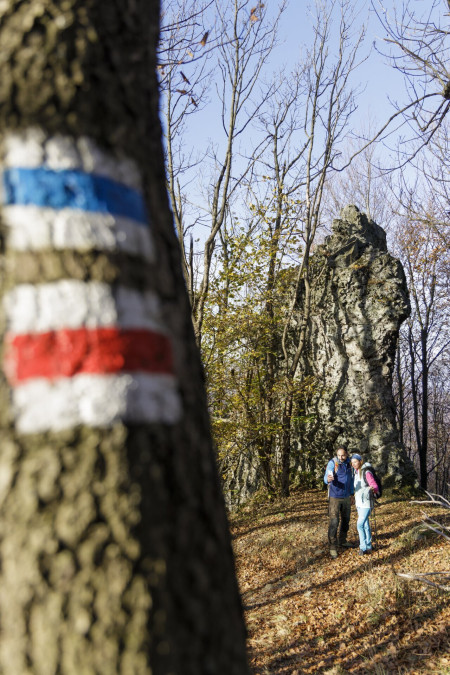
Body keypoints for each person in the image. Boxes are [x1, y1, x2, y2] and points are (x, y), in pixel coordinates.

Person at [324, 446, 354, 559]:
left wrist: (352, 494)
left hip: (346, 497)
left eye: (343, 455)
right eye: (339, 455)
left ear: (346, 454)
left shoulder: (349, 464)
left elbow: (351, 480)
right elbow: (325, 478)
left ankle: (342, 540)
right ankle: (332, 546)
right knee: (334, 521)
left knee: (346, 520)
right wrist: (328, 479)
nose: (341, 457)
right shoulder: (333, 463)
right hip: (335, 497)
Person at [350, 453, 378, 555]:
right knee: (365, 525)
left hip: (366, 503)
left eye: (355, 462)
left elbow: (374, 486)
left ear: (360, 461)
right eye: (352, 462)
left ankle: (362, 547)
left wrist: (371, 489)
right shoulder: (356, 472)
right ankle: (368, 546)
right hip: (359, 503)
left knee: (360, 524)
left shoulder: (366, 472)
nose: (353, 464)